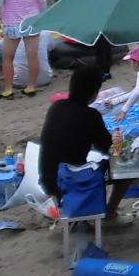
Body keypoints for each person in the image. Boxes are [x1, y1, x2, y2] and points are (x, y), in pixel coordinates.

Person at [39, 66, 115, 204]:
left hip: (47, 179)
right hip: (69, 178)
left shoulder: (56, 107)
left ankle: (63, 203)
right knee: (122, 174)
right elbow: (106, 147)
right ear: (94, 93)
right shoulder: (91, 116)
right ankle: (111, 213)